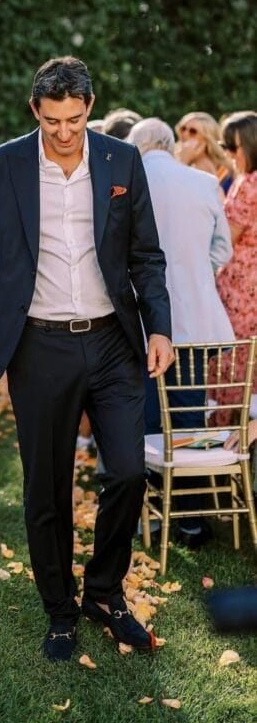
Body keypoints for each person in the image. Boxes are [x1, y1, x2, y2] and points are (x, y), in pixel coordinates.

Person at [0, 56, 174, 662]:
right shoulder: (2, 166)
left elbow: (147, 256)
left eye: (75, 119)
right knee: (47, 488)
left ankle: (104, 593)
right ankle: (60, 609)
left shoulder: (121, 159)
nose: (64, 132)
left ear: (89, 108)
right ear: (35, 110)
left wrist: (159, 327)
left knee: (129, 473)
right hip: (40, 346)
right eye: (53, 120)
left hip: (113, 341)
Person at [128, 116, 234, 548]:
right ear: (169, 145)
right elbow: (222, 250)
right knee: (189, 417)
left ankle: (151, 514)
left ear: (139, 147)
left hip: (139, 324)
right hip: (196, 322)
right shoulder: (203, 183)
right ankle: (189, 519)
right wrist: (193, 278)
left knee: (145, 416)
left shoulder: (126, 183)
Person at [209, 111, 257, 425]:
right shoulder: (245, 180)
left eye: (232, 146)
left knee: (235, 362)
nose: (227, 153)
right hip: (245, 282)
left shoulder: (249, 185)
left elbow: (226, 235)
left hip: (242, 288)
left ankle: (229, 440)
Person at [174, 111, 234, 196]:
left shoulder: (205, 166)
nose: (185, 134)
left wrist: (183, 161)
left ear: (207, 139)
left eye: (193, 131)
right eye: (183, 128)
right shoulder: (180, 161)